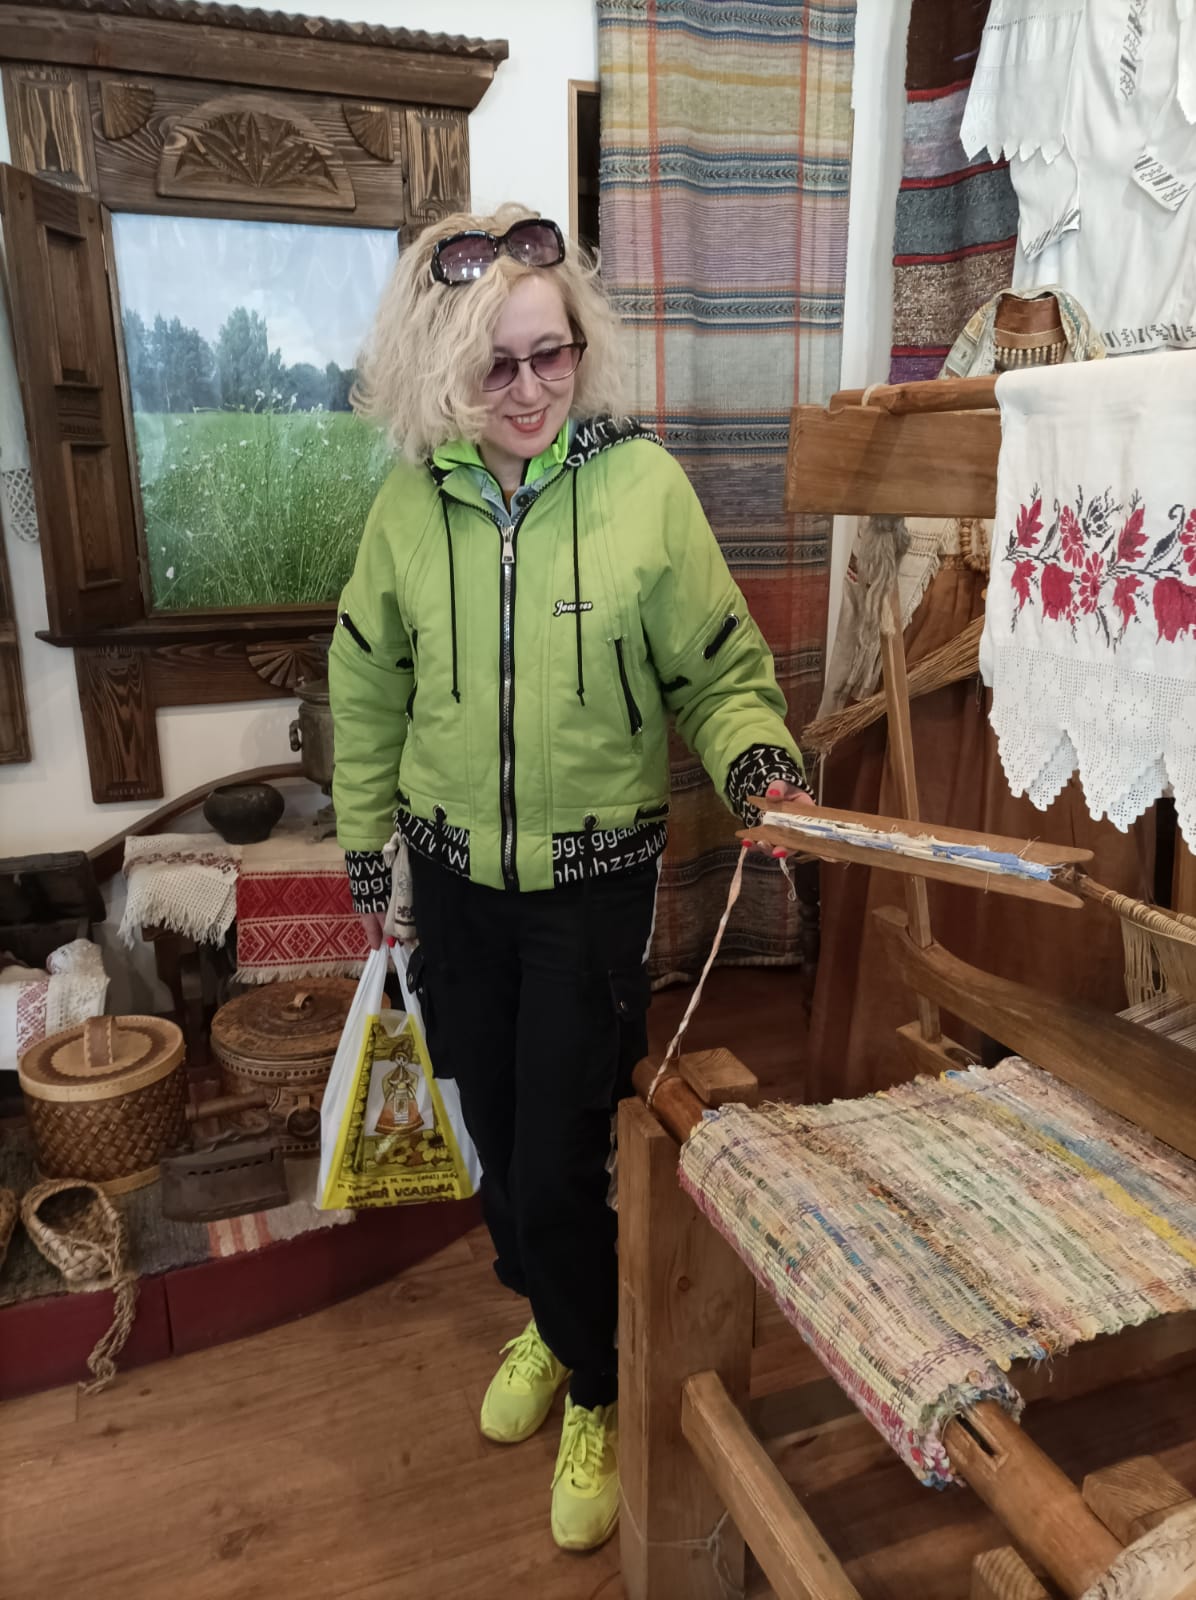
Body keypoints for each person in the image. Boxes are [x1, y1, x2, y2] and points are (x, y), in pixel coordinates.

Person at [330, 205, 811, 1552]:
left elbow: (719, 671)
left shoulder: (642, 487)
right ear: (441, 367)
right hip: (453, 883)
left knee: (557, 1162)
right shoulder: (409, 505)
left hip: (591, 892)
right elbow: (365, 684)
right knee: (493, 1140)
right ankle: (550, 1319)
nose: (533, 388)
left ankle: (594, 1381)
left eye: (554, 354)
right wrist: (368, 842)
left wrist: (758, 762)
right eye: (498, 365)